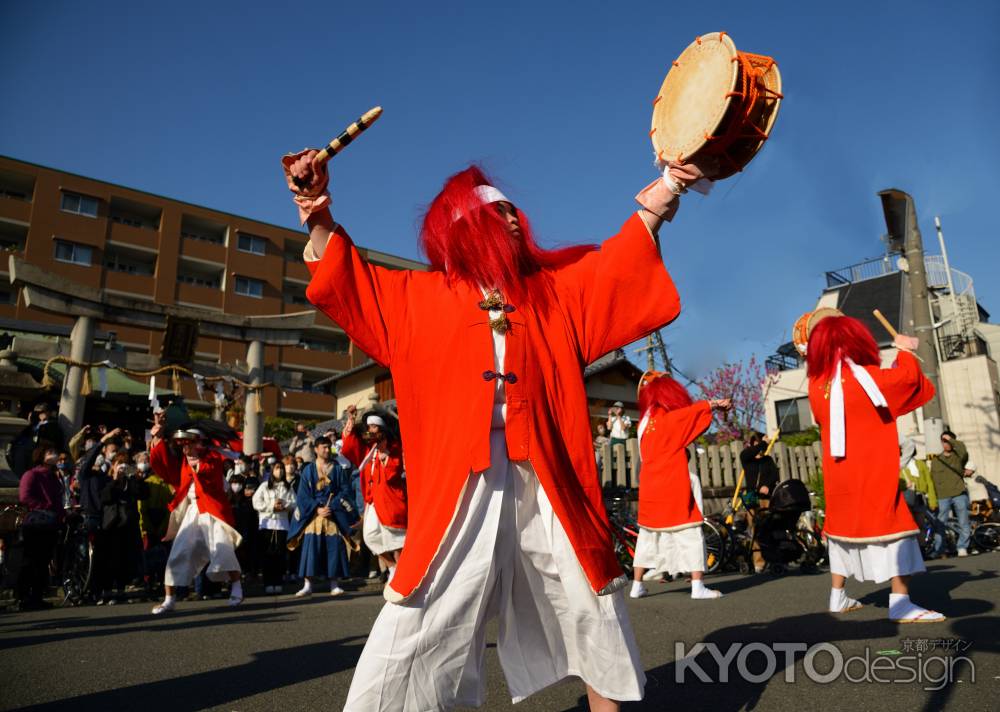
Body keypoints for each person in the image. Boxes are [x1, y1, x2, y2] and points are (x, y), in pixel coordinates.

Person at [284, 146, 708, 709]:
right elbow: (346, 278)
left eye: (513, 210)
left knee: (591, 599)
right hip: (461, 487)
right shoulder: (414, 299)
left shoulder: (554, 294)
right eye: (498, 211)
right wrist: (315, 209)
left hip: (548, 481)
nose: (514, 217)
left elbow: (618, 265)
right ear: (465, 228)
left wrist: (668, 188)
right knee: (425, 609)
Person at [805, 313, 944, 623]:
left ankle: (837, 595)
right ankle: (900, 602)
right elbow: (907, 381)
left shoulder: (817, 388)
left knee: (842, 533)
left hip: (840, 476)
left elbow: (864, 389)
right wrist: (905, 351)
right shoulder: (870, 380)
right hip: (872, 469)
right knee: (896, 530)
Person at [630, 374, 730, 600]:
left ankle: (637, 585)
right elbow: (695, 415)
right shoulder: (671, 418)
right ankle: (697, 586)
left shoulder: (644, 423)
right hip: (672, 484)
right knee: (690, 531)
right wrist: (713, 404)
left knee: (647, 535)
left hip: (649, 486)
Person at [148, 417, 243, 614]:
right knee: (178, 553)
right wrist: (157, 437)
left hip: (212, 511)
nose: (186, 448)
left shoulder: (213, 458)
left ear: (200, 442)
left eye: (190, 443)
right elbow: (164, 467)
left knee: (222, 550)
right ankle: (169, 599)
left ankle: (236, 587)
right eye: (184, 444)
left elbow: (208, 477)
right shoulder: (184, 461)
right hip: (193, 512)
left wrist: (196, 463)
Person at [341, 409, 407, 578]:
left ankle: (401, 574)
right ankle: (393, 568)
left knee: (396, 540)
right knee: (370, 537)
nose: (369, 430)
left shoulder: (394, 448)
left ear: (382, 429)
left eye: (373, 427)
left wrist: (385, 458)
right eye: (368, 426)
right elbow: (348, 448)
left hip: (391, 500)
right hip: (372, 501)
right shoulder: (368, 449)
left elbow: (393, 474)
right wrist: (351, 419)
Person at [288, 435, 353, 597]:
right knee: (311, 548)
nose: (326, 450)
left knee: (334, 548)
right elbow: (302, 495)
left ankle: (334, 583)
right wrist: (316, 509)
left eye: (328, 446)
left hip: (332, 512)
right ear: (316, 449)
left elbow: (345, 491)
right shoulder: (308, 470)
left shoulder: (337, 468)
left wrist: (332, 506)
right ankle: (307, 584)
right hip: (314, 514)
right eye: (323, 447)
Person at [15, 446, 64, 610]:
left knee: (43, 562)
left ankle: (37, 596)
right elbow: (25, 496)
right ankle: (23, 596)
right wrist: (46, 506)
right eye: (50, 453)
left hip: (51, 523)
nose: (54, 455)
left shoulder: (53, 477)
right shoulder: (32, 474)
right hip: (36, 522)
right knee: (31, 561)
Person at [98, 453, 148, 604]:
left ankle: (120, 590)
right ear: (113, 465)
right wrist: (114, 480)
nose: (122, 467)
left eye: (125, 464)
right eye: (119, 463)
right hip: (111, 526)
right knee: (109, 559)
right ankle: (106, 591)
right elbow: (105, 497)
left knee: (125, 560)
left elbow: (143, 494)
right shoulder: (106, 480)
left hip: (129, 525)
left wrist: (136, 478)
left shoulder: (131, 481)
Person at [253, 460, 297, 594]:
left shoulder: (288, 487)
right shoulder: (264, 486)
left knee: (280, 555)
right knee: (268, 554)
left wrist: (285, 505)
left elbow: (294, 502)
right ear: (272, 470)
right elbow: (256, 502)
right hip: (267, 523)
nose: (281, 471)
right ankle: (268, 582)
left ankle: (278, 581)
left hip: (282, 524)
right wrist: (271, 507)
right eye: (278, 468)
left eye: (282, 468)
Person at [739, 432, 779, 573]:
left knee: (769, 528)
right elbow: (749, 453)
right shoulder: (746, 458)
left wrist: (767, 485)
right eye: (755, 444)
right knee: (754, 530)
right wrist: (763, 443)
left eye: (760, 444)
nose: (759, 447)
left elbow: (775, 475)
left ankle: (773, 559)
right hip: (752, 497)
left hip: (766, 498)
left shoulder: (767, 460)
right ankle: (758, 562)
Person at [136, 450, 174, 596]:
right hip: (152, 523)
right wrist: (147, 526)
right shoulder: (148, 483)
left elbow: (168, 507)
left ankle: (154, 583)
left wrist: (159, 526)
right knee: (152, 555)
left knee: (157, 555)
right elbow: (142, 508)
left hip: (158, 523)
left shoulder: (164, 483)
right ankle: (152, 582)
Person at [929, 430, 972, 557]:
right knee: (940, 523)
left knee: (963, 521)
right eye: (943, 441)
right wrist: (933, 497)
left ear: (953, 441)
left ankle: (962, 547)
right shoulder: (936, 460)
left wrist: (951, 440)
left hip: (959, 493)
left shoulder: (959, 456)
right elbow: (932, 480)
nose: (945, 443)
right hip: (942, 496)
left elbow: (963, 449)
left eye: (947, 441)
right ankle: (939, 549)